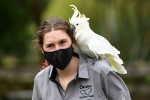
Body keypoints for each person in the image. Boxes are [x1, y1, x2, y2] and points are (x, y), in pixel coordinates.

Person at [32, 17, 131, 100]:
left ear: (73, 42)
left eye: (62, 42)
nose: (58, 49)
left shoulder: (101, 71)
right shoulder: (40, 80)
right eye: (50, 45)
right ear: (42, 50)